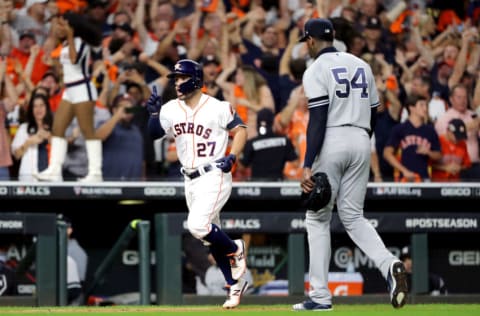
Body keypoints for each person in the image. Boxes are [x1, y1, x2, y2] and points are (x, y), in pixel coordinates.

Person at [293, 18, 408, 311]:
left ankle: (319, 296)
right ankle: (389, 263)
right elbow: (375, 112)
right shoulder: (361, 64)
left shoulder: (315, 69)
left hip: (331, 137)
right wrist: (361, 140)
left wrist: (307, 163)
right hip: (360, 139)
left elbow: (317, 118)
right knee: (353, 216)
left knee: (317, 218)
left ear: (310, 41)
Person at [147, 59, 249, 309]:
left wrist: (233, 155)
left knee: (196, 225)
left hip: (214, 173)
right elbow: (154, 134)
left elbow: (241, 130)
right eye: (176, 78)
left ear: (195, 80)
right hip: (189, 179)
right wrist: (152, 114)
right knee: (210, 238)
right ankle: (234, 285)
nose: (177, 82)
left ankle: (236, 248)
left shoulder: (218, 107)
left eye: (181, 78)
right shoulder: (171, 108)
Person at [35, 12, 103, 182]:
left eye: (61, 24)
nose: (58, 28)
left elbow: (74, 61)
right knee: (58, 128)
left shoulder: (80, 42)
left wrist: (72, 36)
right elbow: (66, 67)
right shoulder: (65, 43)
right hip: (69, 90)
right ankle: (54, 170)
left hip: (82, 89)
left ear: (71, 27)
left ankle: (95, 173)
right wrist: (54, 64)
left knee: (88, 131)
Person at [383, 94, 442, 182]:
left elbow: (439, 155)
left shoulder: (430, 130)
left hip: (424, 178)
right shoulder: (399, 129)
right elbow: (387, 153)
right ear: (411, 108)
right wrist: (404, 170)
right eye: (421, 105)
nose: (425, 108)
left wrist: (429, 152)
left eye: (426, 105)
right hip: (404, 178)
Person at [239, 108, 297, 180]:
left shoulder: (251, 143)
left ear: (257, 123)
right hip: (278, 184)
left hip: (257, 186)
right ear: (273, 122)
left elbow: (242, 167)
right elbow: (295, 163)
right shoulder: (285, 141)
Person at [11, 93, 53, 181]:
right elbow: (16, 155)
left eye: (42, 105)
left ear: (47, 107)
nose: (39, 109)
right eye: (35, 106)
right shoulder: (24, 128)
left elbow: (64, 154)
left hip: (52, 178)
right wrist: (28, 142)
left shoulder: (55, 127)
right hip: (29, 179)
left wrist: (50, 139)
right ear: (31, 109)